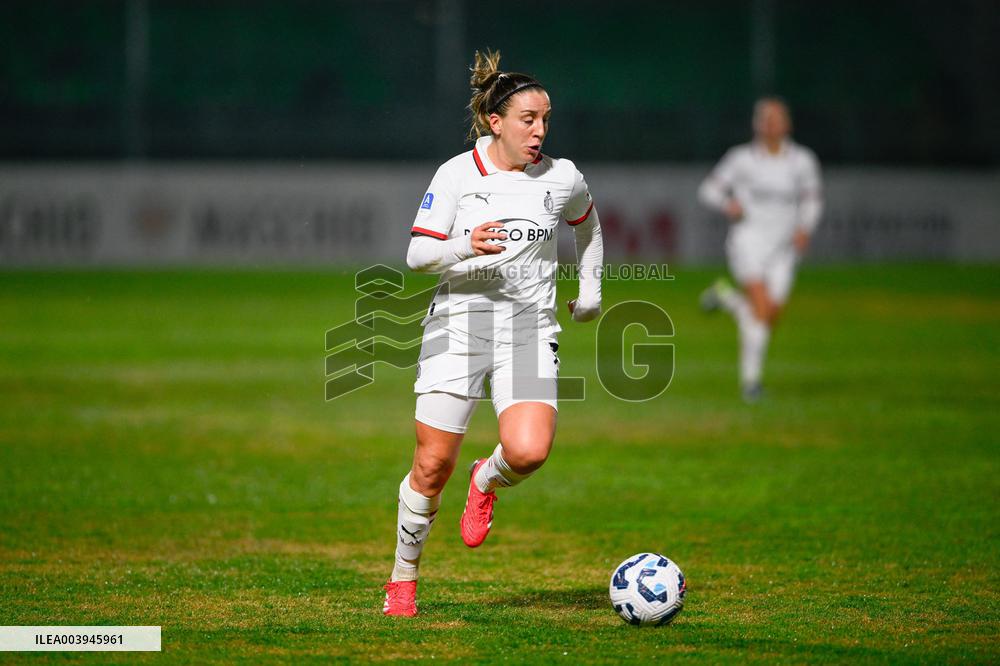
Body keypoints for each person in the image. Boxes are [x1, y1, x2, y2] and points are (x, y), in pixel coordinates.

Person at [382, 49, 604, 616]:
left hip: (529, 332)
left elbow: (588, 224)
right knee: (431, 467)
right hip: (458, 328)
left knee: (528, 451)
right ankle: (403, 579)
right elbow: (417, 255)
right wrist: (465, 244)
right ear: (494, 121)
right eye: (529, 119)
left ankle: (487, 478)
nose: (540, 131)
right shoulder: (457, 174)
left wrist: (593, 288)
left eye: (546, 118)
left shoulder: (562, 176)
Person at [697, 97, 823, 402]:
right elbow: (708, 190)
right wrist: (729, 204)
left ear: (787, 124)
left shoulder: (802, 161)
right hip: (748, 241)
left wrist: (805, 228)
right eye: (765, 118)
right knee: (762, 308)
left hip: (784, 248)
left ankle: (725, 297)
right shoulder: (741, 159)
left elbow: (812, 199)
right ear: (757, 124)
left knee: (768, 316)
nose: (770, 124)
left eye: (776, 118)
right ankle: (751, 384)